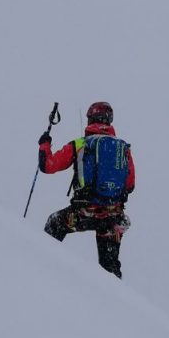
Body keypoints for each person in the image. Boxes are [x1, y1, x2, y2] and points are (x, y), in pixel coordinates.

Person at [39, 101, 135, 278]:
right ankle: (118, 301)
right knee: (110, 266)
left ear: (90, 120)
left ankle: (42, 270)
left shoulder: (80, 144)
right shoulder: (123, 149)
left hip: (85, 212)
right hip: (114, 216)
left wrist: (45, 144)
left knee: (55, 224)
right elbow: (130, 185)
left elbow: (47, 165)